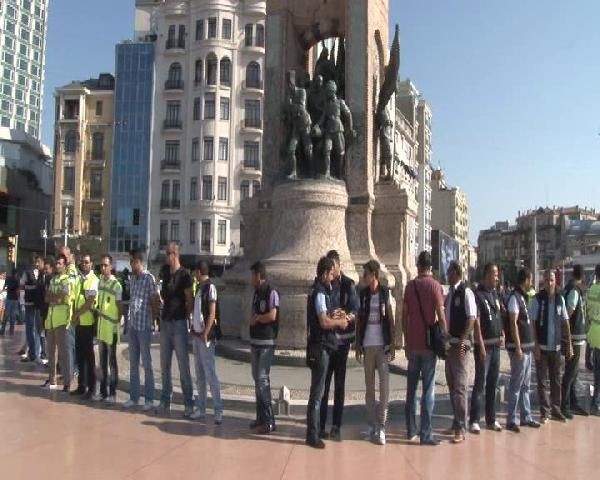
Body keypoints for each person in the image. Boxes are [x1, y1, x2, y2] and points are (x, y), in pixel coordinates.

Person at [402, 251, 446, 446]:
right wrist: (444, 336)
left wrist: (405, 339)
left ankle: (411, 430)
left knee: (410, 390)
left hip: (413, 343)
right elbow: (441, 315)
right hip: (429, 346)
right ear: (430, 266)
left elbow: (403, 315)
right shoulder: (435, 287)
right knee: (428, 389)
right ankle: (426, 433)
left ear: (418, 265)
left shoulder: (409, 287)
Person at [306, 257, 348, 448]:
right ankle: (312, 434)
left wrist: (335, 314)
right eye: (331, 274)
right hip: (321, 347)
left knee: (318, 391)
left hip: (321, 345)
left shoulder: (322, 291)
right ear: (324, 273)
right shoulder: (320, 293)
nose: (333, 278)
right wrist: (339, 322)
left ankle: (313, 431)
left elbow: (325, 316)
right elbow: (323, 321)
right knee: (317, 393)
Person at [319, 250, 358, 441]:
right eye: (330, 270)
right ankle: (321, 424)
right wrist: (331, 315)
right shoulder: (325, 284)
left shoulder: (348, 284)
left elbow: (356, 309)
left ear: (338, 266)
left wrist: (347, 316)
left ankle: (336, 425)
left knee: (339, 385)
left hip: (342, 341)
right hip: (328, 340)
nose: (332, 273)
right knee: (324, 384)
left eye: (333, 268)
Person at [355, 260, 395, 446]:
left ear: (374, 275)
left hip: (382, 345)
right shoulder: (362, 294)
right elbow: (359, 319)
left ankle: (382, 425)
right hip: (367, 344)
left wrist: (393, 344)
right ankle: (371, 424)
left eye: (366, 274)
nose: (364, 277)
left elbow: (390, 318)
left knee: (384, 387)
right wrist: (357, 343)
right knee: (369, 388)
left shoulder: (385, 292)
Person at [531, 269, 572, 423]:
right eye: (547, 279)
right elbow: (533, 323)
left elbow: (566, 322)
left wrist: (569, 344)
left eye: (552, 280)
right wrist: (535, 345)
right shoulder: (537, 299)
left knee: (556, 380)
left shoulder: (560, 299)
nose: (549, 283)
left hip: (556, 348)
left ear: (556, 281)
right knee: (542, 382)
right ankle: (545, 412)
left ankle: (556, 409)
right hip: (541, 348)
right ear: (543, 281)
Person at [158, 242, 194, 417]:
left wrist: (186, 317)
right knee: (164, 364)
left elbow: (190, 299)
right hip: (165, 322)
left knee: (183, 365)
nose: (166, 256)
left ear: (175, 255)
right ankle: (165, 399)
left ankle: (189, 402)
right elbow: (160, 294)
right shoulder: (165, 272)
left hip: (179, 323)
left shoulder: (185, 275)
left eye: (168, 253)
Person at [469, 263, 504, 434]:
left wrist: (502, 333)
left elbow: (498, 316)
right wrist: (480, 344)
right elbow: (476, 322)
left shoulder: (495, 294)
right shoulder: (478, 295)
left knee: (493, 384)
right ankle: (474, 419)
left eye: (497, 274)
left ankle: (491, 419)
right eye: (494, 274)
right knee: (480, 384)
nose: (497, 277)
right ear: (487, 275)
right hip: (485, 347)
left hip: (496, 346)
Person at [443, 261, 476, 444]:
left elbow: (471, 317)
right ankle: (456, 422)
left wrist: (464, 339)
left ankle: (462, 428)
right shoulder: (450, 294)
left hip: (462, 344)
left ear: (455, 272)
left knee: (461, 385)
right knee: (451, 383)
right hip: (450, 344)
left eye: (449, 271)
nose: (447, 274)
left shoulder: (466, 292)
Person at [123, 250, 160, 411]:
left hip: (144, 326)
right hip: (133, 325)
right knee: (133, 364)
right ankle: (134, 397)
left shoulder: (148, 278)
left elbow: (154, 300)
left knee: (147, 364)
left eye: (132, 261)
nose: (130, 264)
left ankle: (150, 398)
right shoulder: (133, 280)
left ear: (139, 262)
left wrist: (154, 321)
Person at [505, 268, 541, 432]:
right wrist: (518, 347)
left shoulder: (524, 298)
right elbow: (513, 324)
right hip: (519, 349)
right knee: (516, 384)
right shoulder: (515, 297)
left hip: (527, 348)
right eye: (530, 279)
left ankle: (526, 416)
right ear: (525, 280)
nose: (531, 283)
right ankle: (512, 419)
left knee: (526, 385)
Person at [189, 260, 223, 424]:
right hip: (197, 335)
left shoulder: (210, 288)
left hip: (205, 338)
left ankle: (218, 410)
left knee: (210, 373)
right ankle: (201, 408)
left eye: (194, 272)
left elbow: (212, 312)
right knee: (200, 374)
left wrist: (206, 332)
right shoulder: (199, 289)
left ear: (198, 272)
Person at [249, 261, 280, 435]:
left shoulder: (271, 292)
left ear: (259, 276)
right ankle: (260, 417)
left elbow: (273, 315)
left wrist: (258, 319)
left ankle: (269, 420)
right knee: (257, 380)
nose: (251, 278)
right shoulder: (256, 293)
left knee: (262, 380)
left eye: (252, 275)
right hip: (255, 341)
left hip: (266, 342)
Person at [562, 264, 590, 417]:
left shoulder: (570, 288)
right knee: (570, 372)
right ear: (583, 276)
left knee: (573, 372)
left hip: (574, 337)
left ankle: (572, 402)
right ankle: (564, 405)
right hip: (574, 337)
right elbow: (569, 312)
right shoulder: (574, 291)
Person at [95, 254, 123, 403]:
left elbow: (120, 307)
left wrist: (117, 324)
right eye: (102, 265)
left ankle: (112, 393)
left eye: (106, 265)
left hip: (110, 329)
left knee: (112, 362)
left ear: (111, 267)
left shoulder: (116, 285)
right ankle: (103, 392)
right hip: (101, 328)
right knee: (102, 363)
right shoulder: (100, 282)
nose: (103, 268)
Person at [41, 254, 72, 391]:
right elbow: (47, 298)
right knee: (51, 353)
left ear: (65, 265)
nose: (58, 266)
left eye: (60, 263)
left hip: (61, 321)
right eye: (57, 263)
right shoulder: (53, 280)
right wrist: (54, 297)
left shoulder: (67, 281)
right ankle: (52, 380)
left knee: (63, 354)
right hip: (51, 320)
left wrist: (54, 297)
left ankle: (66, 382)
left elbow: (62, 298)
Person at [71, 254, 99, 400]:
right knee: (80, 357)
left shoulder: (94, 281)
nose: (84, 264)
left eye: (87, 262)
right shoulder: (79, 280)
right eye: (82, 262)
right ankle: (81, 386)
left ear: (91, 264)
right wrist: (75, 317)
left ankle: (92, 388)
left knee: (89, 358)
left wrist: (76, 314)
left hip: (88, 323)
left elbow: (90, 302)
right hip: (79, 323)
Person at [20, 254, 43, 364]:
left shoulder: (41, 273)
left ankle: (40, 353)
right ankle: (32, 353)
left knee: (38, 329)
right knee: (30, 328)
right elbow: (22, 285)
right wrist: (33, 288)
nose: (36, 264)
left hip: (38, 305)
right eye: (35, 262)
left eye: (38, 261)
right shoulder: (27, 273)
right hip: (29, 304)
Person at [585, 264, 600, 416]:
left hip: (594, 334)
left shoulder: (591, 291)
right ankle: (597, 403)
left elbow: (587, 311)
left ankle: (595, 401)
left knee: (597, 373)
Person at [0, 268, 20, 336]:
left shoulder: (8, 279)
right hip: (14, 299)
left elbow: (4, 287)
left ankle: (2, 331)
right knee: (13, 316)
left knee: (6, 315)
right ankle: (11, 332)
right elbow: (18, 290)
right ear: (16, 273)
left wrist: (5, 290)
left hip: (8, 298)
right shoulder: (17, 279)